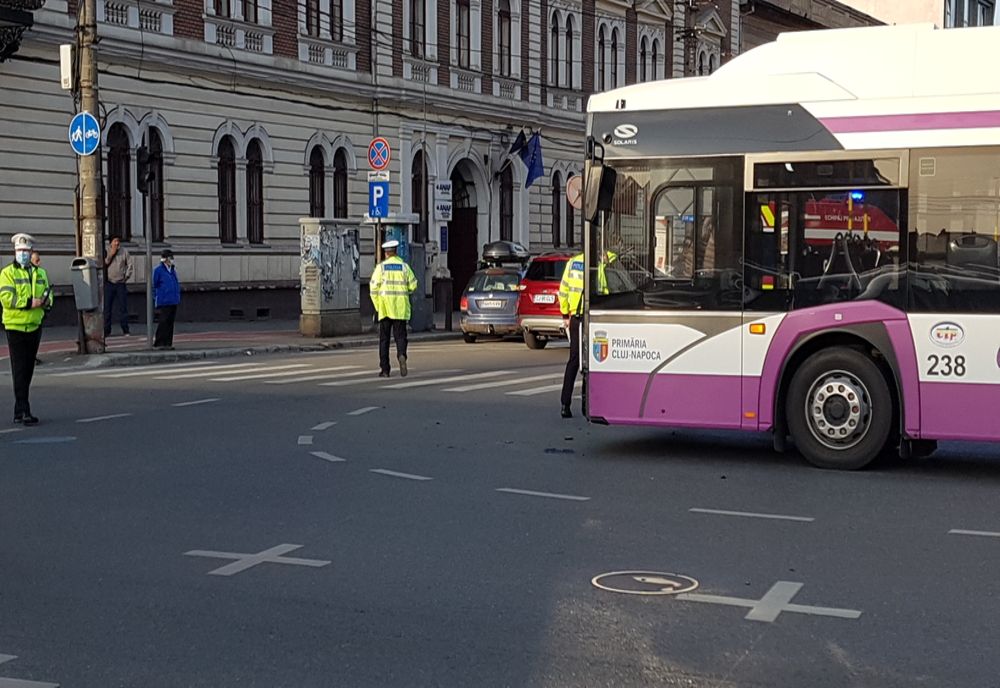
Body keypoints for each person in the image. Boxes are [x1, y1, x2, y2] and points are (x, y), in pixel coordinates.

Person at [0, 233, 52, 425]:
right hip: (15, 326)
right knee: (19, 368)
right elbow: (6, 298)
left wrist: (46, 303)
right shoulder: (7, 273)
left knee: (28, 368)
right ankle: (24, 408)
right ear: (15, 252)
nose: (23, 254)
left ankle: (19, 409)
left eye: (25, 251)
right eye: (19, 251)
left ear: (31, 252)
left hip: (34, 326)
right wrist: (30, 303)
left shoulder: (40, 273)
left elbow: (49, 294)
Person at [558, 248, 615, 419]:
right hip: (593, 318)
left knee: (574, 359)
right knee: (592, 360)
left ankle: (565, 404)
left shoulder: (573, 263)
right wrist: (607, 255)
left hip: (575, 317)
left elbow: (563, 291)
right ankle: (588, 402)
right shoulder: (598, 265)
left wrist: (565, 314)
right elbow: (605, 291)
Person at [370, 239, 417, 377]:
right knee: (400, 336)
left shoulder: (381, 268)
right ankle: (402, 355)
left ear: (386, 253)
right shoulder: (404, 267)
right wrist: (406, 290)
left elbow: (373, 288)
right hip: (400, 308)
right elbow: (413, 285)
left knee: (384, 339)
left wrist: (377, 305)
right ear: (396, 252)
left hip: (384, 308)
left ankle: (385, 370)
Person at [103, 236, 134, 337]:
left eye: (118, 241)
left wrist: (127, 276)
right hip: (109, 283)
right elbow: (104, 263)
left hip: (120, 283)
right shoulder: (106, 250)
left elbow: (130, 264)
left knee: (123, 308)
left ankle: (125, 329)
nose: (117, 243)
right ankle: (106, 330)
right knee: (107, 308)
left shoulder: (124, 251)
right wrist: (111, 254)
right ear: (111, 243)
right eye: (115, 241)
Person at [153, 249, 180, 350]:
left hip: (173, 299)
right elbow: (154, 285)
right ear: (166, 259)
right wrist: (156, 297)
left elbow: (175, 283)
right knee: (163, 321)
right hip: (164, 300)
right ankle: (159, 342)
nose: (172, 260)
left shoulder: (172, 270)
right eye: (170, 258)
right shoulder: (158, 270)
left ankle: (168, 342)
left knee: (170, 322)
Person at [29, 250, 52, 366]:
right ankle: (28, 358)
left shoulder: (42, 272)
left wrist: (47, 302)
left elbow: (48, 289)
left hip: (39, 311)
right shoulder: (25, 273)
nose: (39, 262)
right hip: (27, 311)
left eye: (39, 259)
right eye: (36, 260)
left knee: (36, 337)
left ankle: (33, 356)